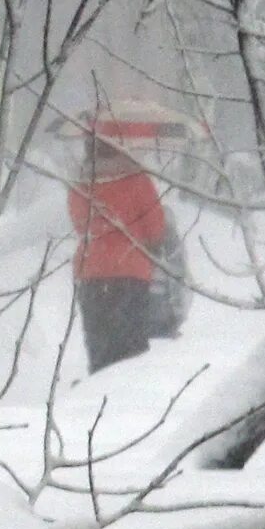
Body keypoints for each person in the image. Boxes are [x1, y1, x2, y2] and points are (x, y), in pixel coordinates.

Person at [69, 127, 170, 372]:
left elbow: (79, 223)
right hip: (130, 272)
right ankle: (126, 396)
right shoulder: (136, 179)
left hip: (91, 271)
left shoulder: (81, 181)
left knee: (99, 343)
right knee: (131, 346)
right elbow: (156, 228)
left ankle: (98, 389)